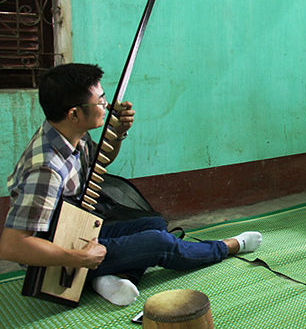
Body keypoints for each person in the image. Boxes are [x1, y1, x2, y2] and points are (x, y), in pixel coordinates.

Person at [0, 63, 262, 306]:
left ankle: (104, 278)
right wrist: (79, 258)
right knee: (159, 243)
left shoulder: (70, 134)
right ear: (74, 113)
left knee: (155, 223)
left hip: (76, 231)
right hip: (55, 255)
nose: (106, 104)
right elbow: (14, 246)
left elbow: (100, 163)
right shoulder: (46, 168)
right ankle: (229, 245)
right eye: (100, 100)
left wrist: (119, 133)